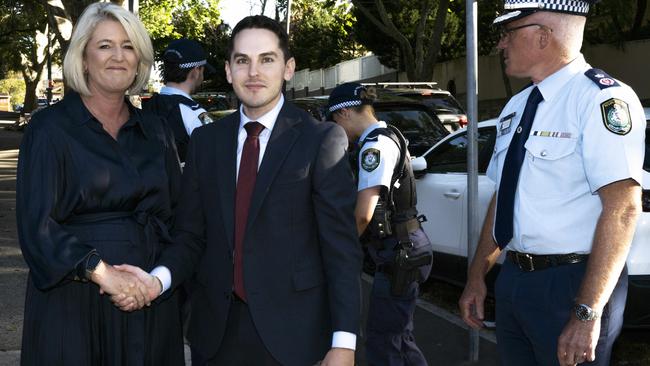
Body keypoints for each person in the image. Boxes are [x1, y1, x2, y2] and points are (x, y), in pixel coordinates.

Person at [115, 15, 362, 366]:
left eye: (267, 59)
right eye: (242, 61)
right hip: (215, 336)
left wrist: (344, 342)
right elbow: (190, 235)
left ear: (288, 68)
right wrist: (157, 281)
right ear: (229, 71)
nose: (254, 72)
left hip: (295, 337)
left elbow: (341, 249)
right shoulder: (206, 142)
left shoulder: (320, 140)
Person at [458, 1, 646, 365]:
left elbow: (623, 208)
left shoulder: (601, 99)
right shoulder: (516, 106)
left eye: (508, 34)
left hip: (572, 284)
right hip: (514, 279)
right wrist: (478, 275)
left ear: (543, 36)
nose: (501, 44)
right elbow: (505, 197)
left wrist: (587, 312)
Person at [16, 2, 184, 365]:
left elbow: (182, 221)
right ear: (83, 57)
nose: (118, 56)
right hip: (73, 303)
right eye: (105, 45)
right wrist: (104, 274)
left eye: (128, 46)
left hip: (148, 299)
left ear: (139, 59)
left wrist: (156, 281)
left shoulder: (157, 131)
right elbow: (37, 228)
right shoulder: (49, 130)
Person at [327, 83, 433, 366]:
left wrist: (341, 252)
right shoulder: (390, 134)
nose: (339, 130)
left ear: (345, 113)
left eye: (336, 121)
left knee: (384, 340)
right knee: (399, 337)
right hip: (404, 247)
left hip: (399, 251)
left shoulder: (374, 146)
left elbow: (364, 213)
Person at [142, 38, 216, 163]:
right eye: (203, 70)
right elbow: (213, 160)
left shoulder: (147, 107)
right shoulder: (193, 113)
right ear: (196, 71)